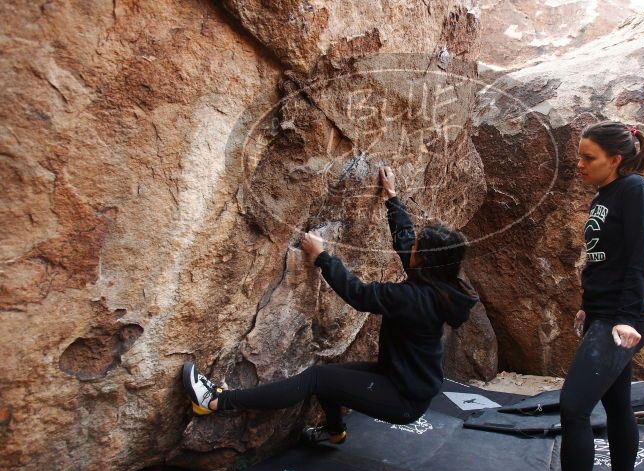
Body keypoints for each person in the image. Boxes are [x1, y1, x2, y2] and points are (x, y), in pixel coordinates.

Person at [181, 166, 478, 444]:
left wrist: (322, 257)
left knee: (319, 379)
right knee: (332, 376)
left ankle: (216, 401)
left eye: (417, 249)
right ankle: (334, 432)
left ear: (424, 261)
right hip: (400, 379)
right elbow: (407, 246)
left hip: (402, 397)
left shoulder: (414, 297)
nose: (411, 247)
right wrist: (392, 199)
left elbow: (358, 294)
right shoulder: (443, 286)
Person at [547, 121, 644, 471]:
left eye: (588, 157)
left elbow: (639, 259)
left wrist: (626, 319)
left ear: (615, 159)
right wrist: (587, 308)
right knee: (616, 406)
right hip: (603, 313)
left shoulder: (635, 191)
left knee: (574, 408)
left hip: (621, 320)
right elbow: (605, 261)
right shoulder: (606, 194)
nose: (579, 164)